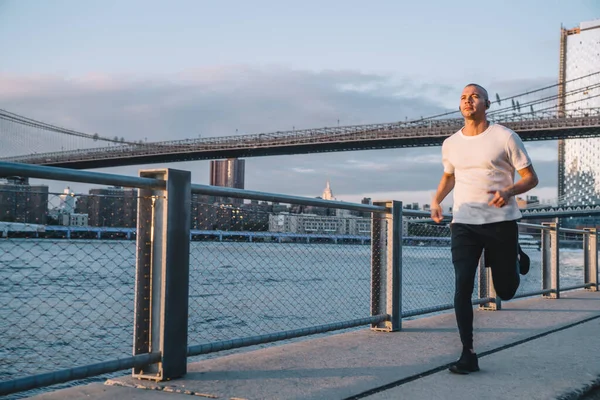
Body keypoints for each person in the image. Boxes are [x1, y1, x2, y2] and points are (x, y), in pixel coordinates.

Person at [430, 83, 539, 374]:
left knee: (506, 290)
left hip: (500, 222)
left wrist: (509, 191)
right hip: (464, 223)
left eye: (474, 96)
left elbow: (531, 178)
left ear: (487, 104)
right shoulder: (451, 143)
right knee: (462, 284)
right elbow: (449, 175)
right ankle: (468, 353)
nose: (468, 101)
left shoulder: (505, 137)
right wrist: (437, 200)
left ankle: (515, 256)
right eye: (463, 97)